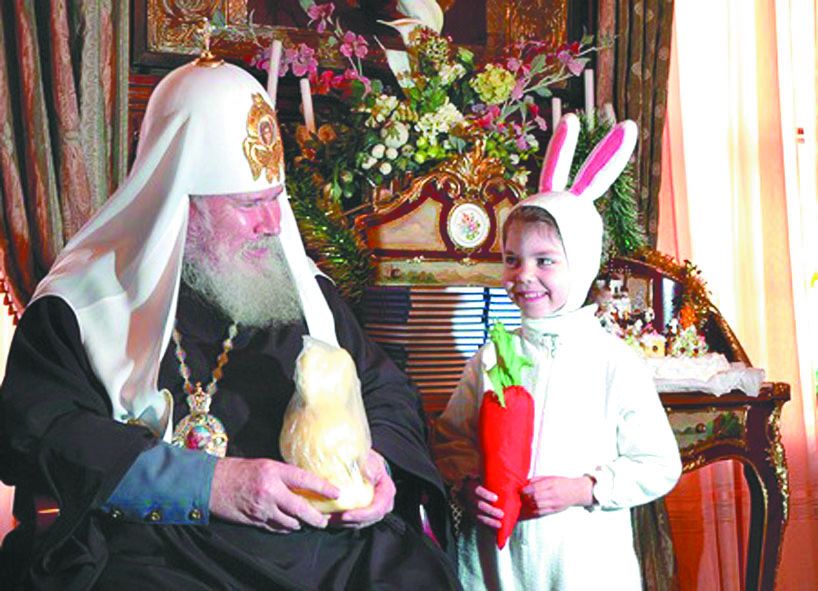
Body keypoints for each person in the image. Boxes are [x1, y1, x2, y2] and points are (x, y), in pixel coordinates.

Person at [0, 55, 459, 590]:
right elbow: (43, 433)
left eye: (276, 199)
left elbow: (387, 391)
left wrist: (378, 463)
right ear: (182, 203)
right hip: (162, 547)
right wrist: (209, 485)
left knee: (411, 575)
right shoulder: (81, 305)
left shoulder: (307, 294)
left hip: (316, 545)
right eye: (249, 204)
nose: (273, 224)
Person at [431, 114, 682, 590]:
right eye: (512, 260)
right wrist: (466, 482)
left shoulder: (613, 362)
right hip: (499, 562)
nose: (523, 275)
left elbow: (659, 464)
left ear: (581, 263)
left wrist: (584, 489)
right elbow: (451, 437)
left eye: (544, 261)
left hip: (581, 562)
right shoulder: (493, 355)